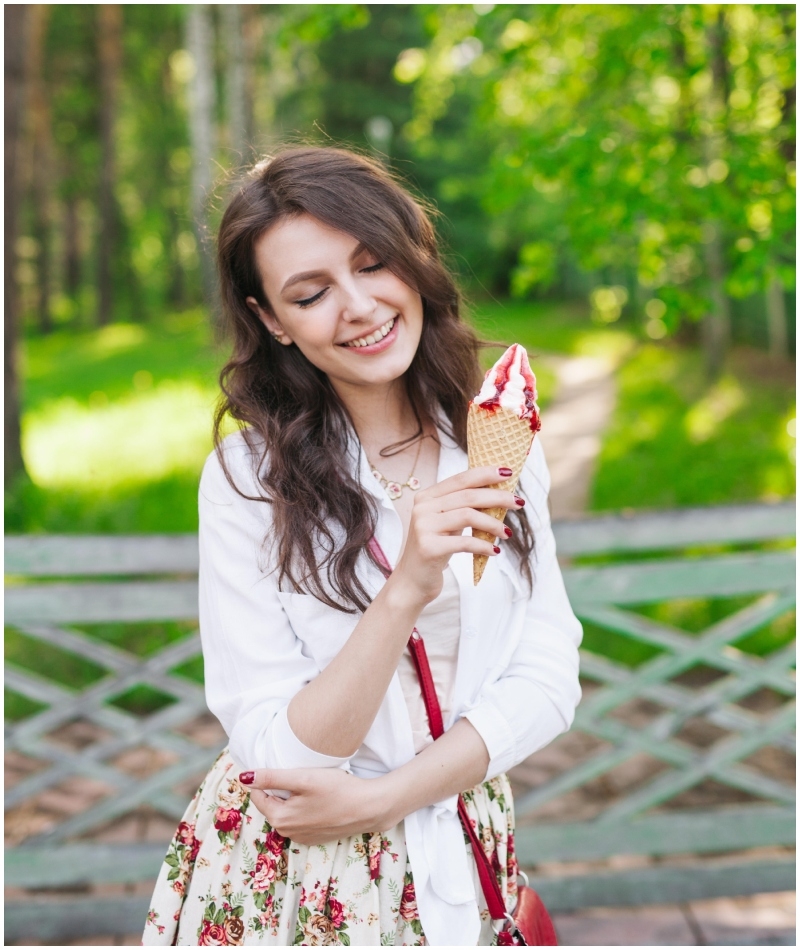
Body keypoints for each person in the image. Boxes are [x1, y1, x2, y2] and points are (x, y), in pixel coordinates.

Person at [143, 146, 582, 947]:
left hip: (465, 838)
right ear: (272, 319)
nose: (358, 306)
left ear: (412, 257)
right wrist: (406, 584)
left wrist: (392, 796)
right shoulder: (249, 481)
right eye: (310, 294)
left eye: (373, 263)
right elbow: (283, 754)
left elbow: (549, 675)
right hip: (299, 877)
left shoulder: (495, 439)